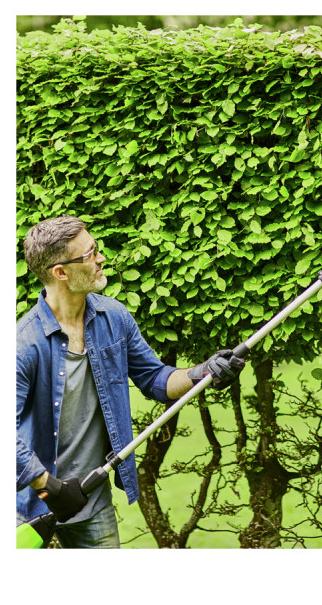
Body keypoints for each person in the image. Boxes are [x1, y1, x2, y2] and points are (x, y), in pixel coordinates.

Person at [17, 215, 245, 548]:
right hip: (29, 505)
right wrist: (48, 485)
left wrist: (204, 373)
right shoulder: (25, 343)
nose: (100, 258)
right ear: (61, 272)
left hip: (91, 503)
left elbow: (155, 379)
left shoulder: (114, 317)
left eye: (96, 248)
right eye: (89, 254)